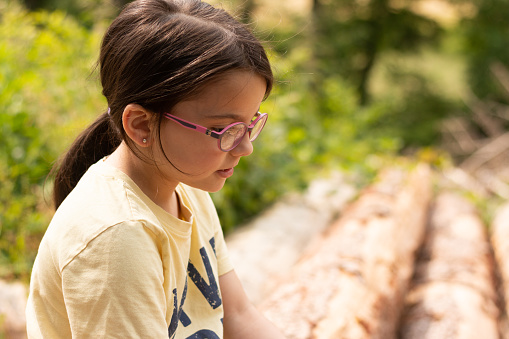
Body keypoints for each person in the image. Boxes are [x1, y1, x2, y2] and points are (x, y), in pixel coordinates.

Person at [25, 0, 285, 337]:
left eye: (251, 124)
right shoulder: (117, 236)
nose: (246, 146)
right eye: (225, 131)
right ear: (141, 125)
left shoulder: (185, 184)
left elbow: (237, 315)